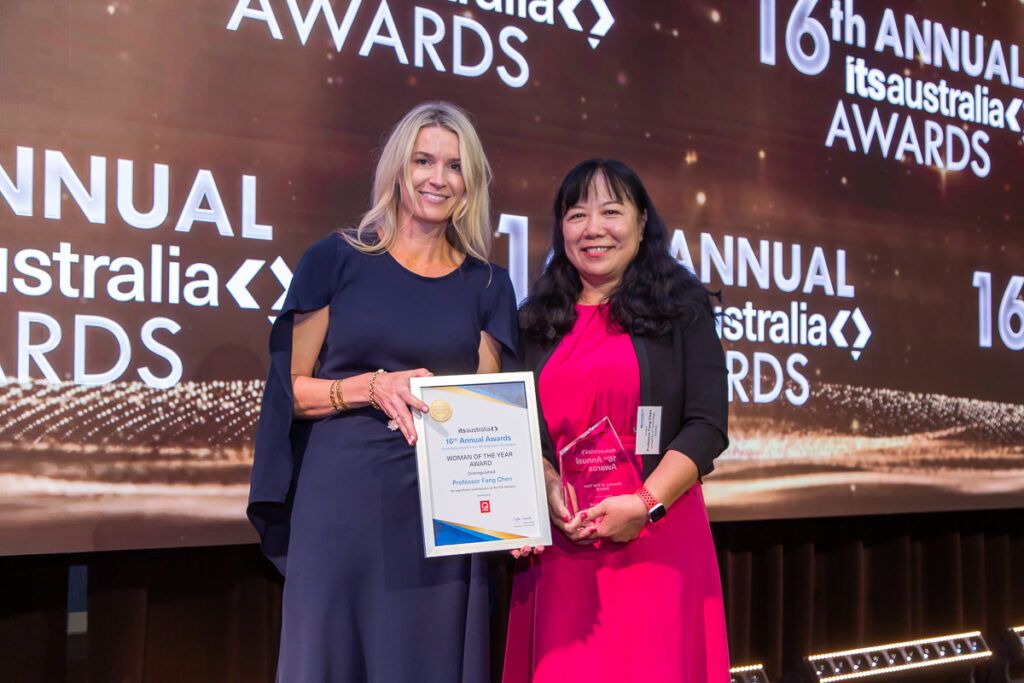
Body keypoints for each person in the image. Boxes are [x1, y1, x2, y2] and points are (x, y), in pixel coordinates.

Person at [247, 101, 517, 682]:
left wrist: (514, 511)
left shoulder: (489, 284)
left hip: (440, 514)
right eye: (423, 160)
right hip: (341, 502)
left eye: (454, 166)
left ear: (470, 183)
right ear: (398, 167)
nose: (437, 178)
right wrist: (370, 387)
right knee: (330, 656)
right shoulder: (335, 258)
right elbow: (289, 392)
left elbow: (489, 415)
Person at [502, 159, 731, 682]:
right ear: (560, 228)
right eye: (577, 214)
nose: (593, 228)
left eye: (611, 211)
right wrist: (548, 483)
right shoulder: (533, 323)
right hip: (563, 545)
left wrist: (645, 506)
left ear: (642, 220)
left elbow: (706, 425)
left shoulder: (683, 311)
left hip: (656, 538)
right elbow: (519, 432)